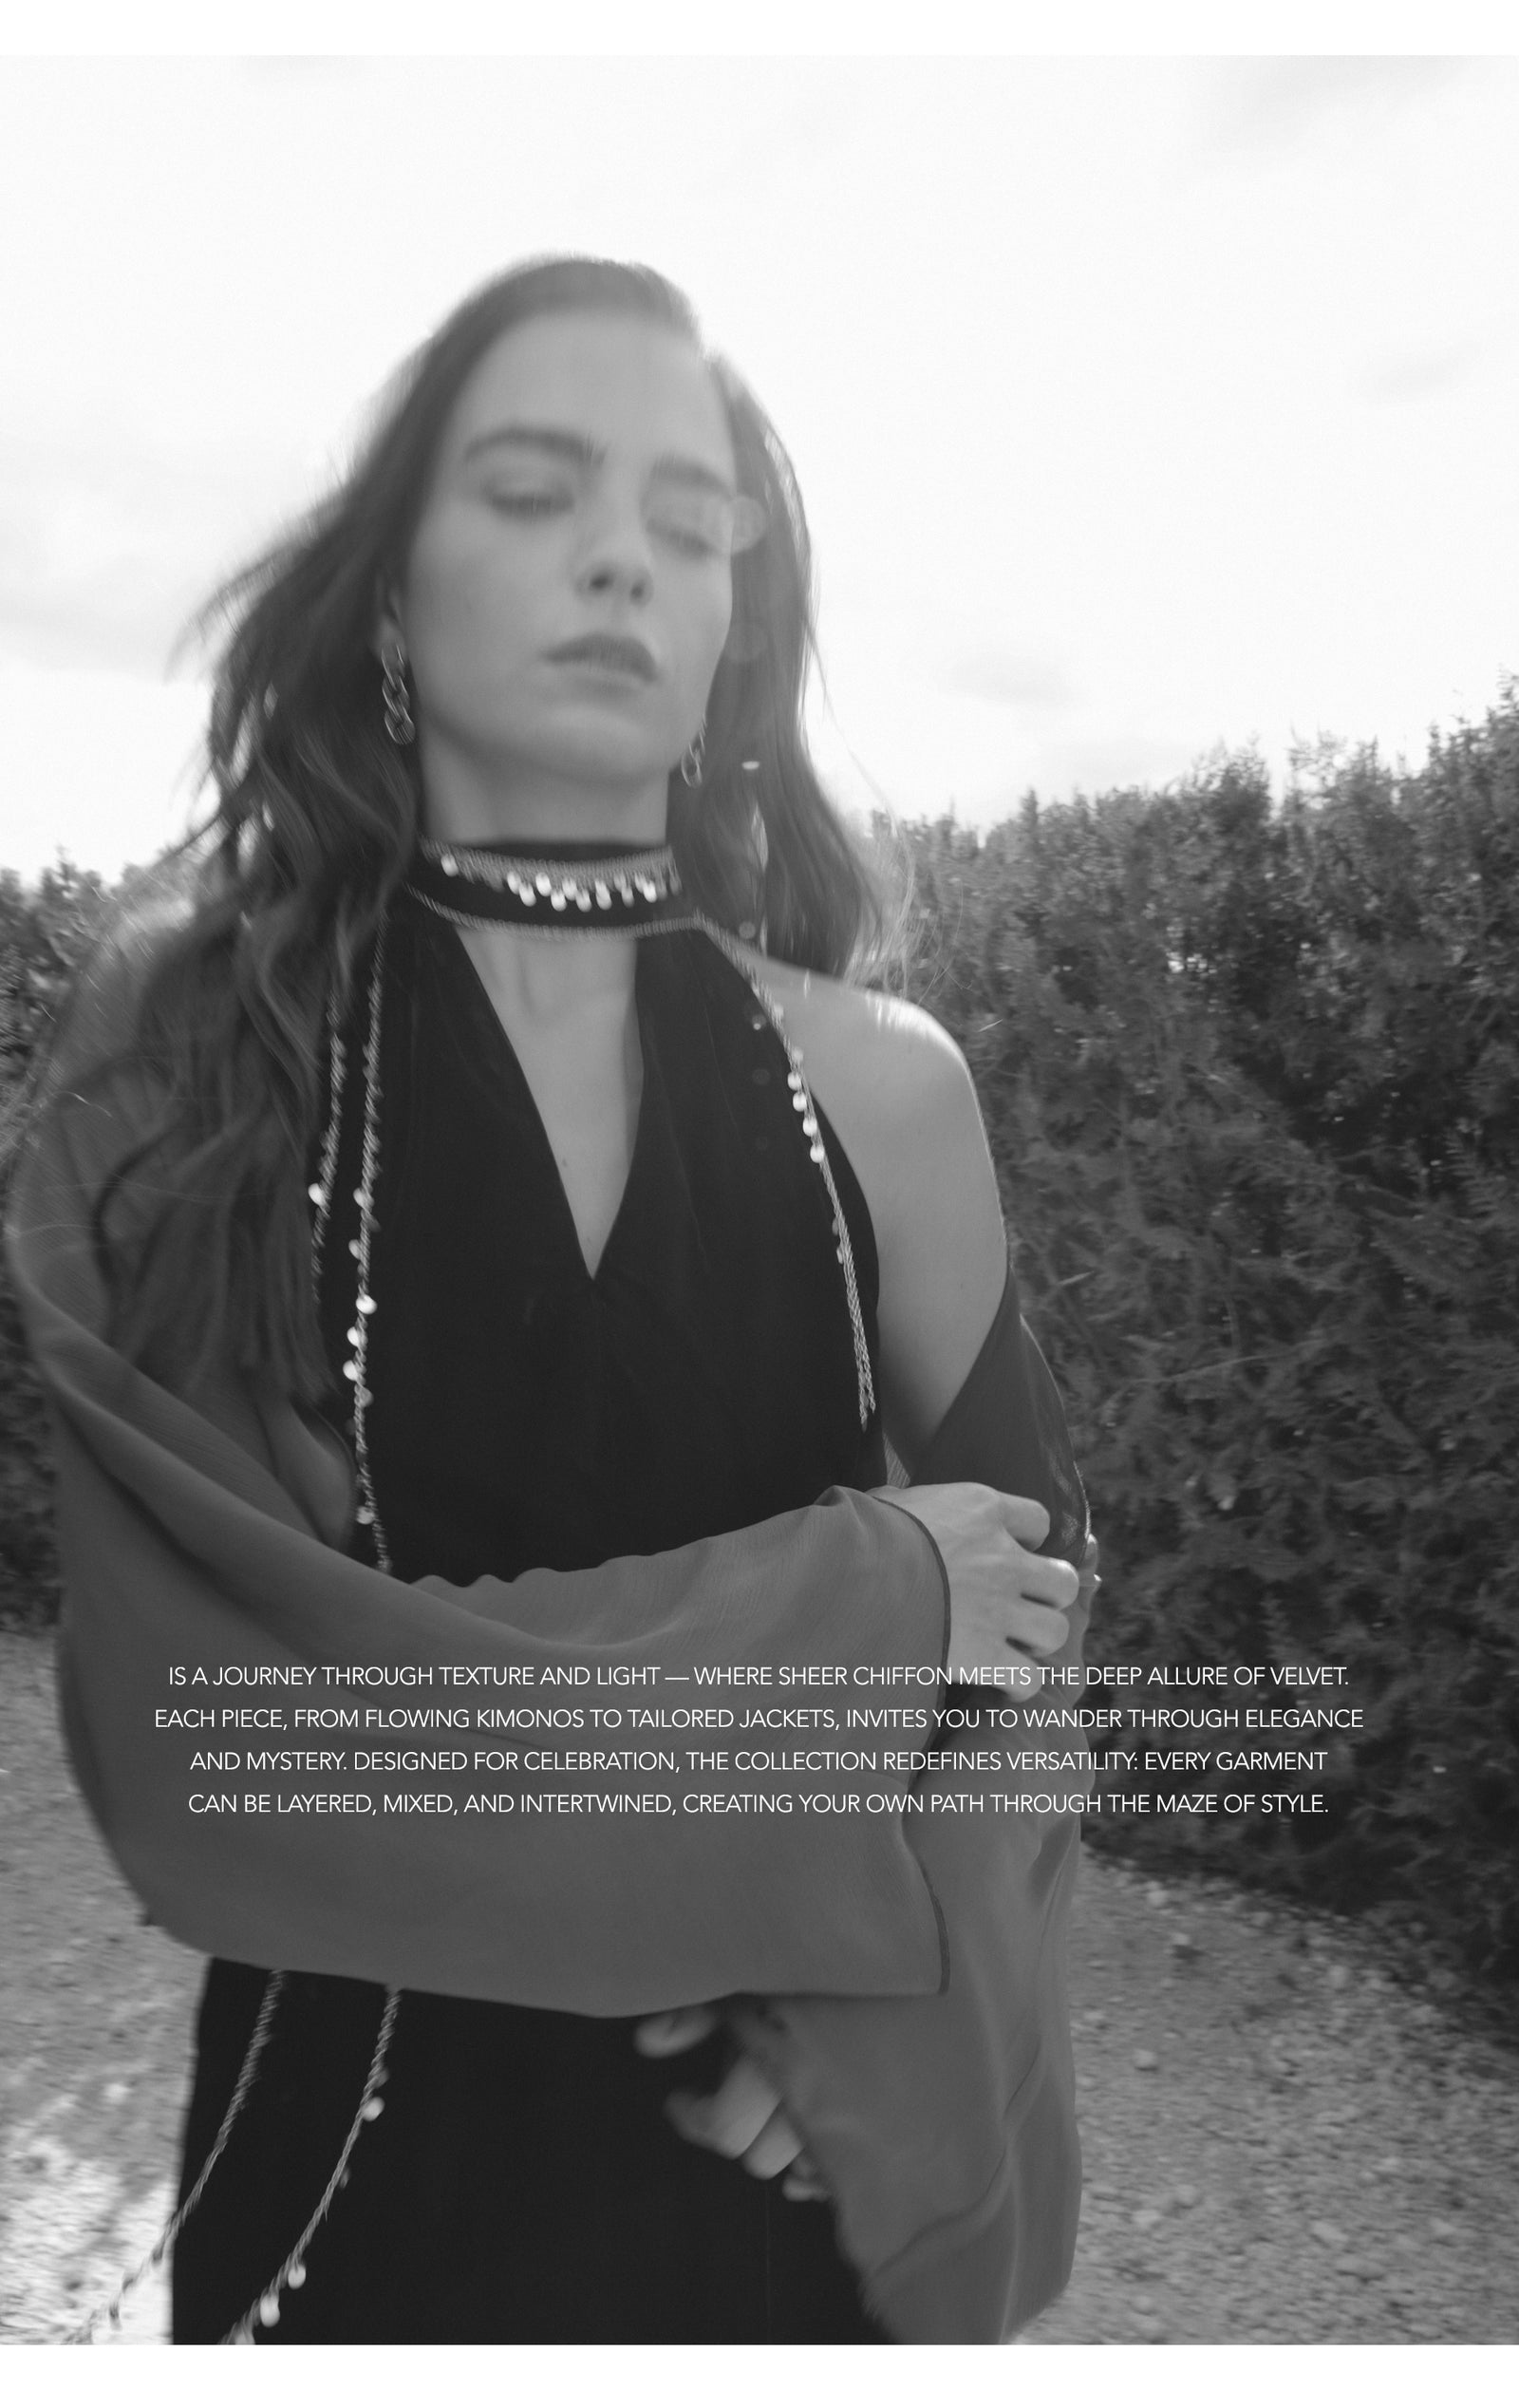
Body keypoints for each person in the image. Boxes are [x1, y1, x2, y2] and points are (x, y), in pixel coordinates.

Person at [6, 255, 1095, 2345]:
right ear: (389, 601)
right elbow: (217, 1746)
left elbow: (1034, 1634)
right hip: (347, 2198)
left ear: (731, 622)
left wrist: (894, 2021)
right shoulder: (188, 1072)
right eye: (531, 489)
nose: (621, 556)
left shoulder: (890, 1090)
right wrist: (867, 1597)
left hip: (776, 2183)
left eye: (690, 520)